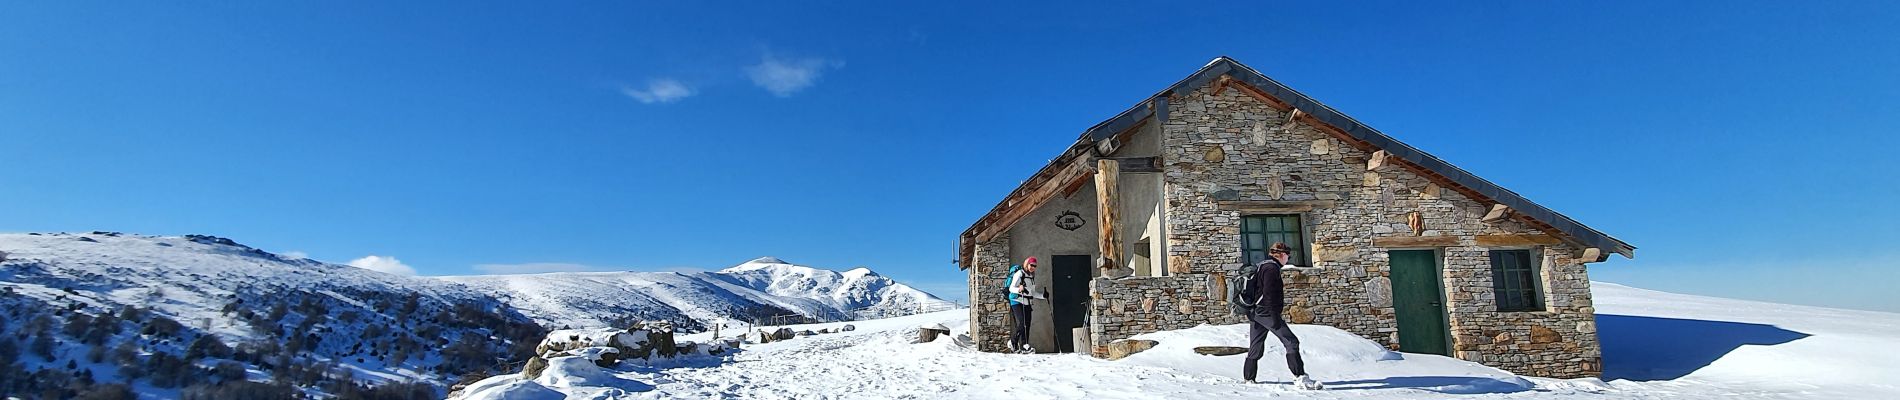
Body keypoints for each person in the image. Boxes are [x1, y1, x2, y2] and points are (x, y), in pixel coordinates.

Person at [1241, 242, 1323, 390]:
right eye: (1288, 256)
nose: (1288, 259)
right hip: (1266, 312)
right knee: (1291, 342)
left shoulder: (1263, 265)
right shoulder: (1271, 269)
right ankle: (1300, 377)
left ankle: (1249, 378)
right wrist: (1274, 316)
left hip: (1255, 312)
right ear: (1282, 255)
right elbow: (1269, 293)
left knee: (1256, 345)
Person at [1006, 256, 1047, 353]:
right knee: (1022, 322)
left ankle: (1024, 344)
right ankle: (1013, 341)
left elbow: (1032, 293)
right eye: (1031, 265)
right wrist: (1019, 289)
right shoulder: (1019, 274)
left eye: (1035, 266)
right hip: (1016, 300)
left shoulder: (1032, 276)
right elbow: (1011, 288)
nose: (1033, 267)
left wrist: (1043, 296)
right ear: (1027, 264)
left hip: (1027, 301)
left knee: (1027, 323)